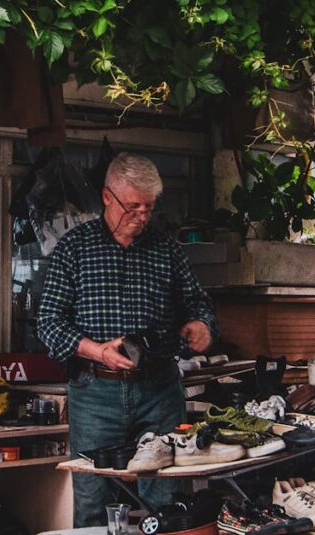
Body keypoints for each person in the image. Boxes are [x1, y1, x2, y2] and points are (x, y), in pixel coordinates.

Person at [37, 152, 217, 527]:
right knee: (92, 497)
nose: (141, 216)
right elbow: (49, 323)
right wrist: (97, 351)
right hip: (95, 393)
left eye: (148, 207)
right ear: (107, 197)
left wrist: (200, 324)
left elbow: (198, 302)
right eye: (132, 206)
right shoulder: (74, 249)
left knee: (166, 495)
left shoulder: (166, 249)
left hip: (160, 390)